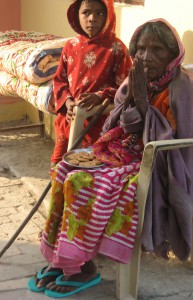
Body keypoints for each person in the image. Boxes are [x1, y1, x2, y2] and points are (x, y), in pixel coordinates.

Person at [27, 18, 193, 298]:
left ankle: (84, 266)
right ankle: (64, 257)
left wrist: (142, 104)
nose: (146, 57)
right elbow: (117, 122)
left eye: (157, 50)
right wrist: (133, 100)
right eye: (141, 49)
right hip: (123, 150)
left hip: (158, 163)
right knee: (66, 167)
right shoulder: (135, 79)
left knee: (84, 181)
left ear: (172, 54)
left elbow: (175, 143)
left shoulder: (181, 87)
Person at [50, 0, 132, 166]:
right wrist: (68, 102)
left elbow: (125, 88)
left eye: (99, 13)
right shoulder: (70, 46)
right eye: (86, 12)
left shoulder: (117, 48)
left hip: (100, 123)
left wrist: (100, 96)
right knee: (60, 164)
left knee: (90, 166)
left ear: (109, 15)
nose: (92, 18)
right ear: (76, 15)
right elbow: (60, 80)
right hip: (69, 118)